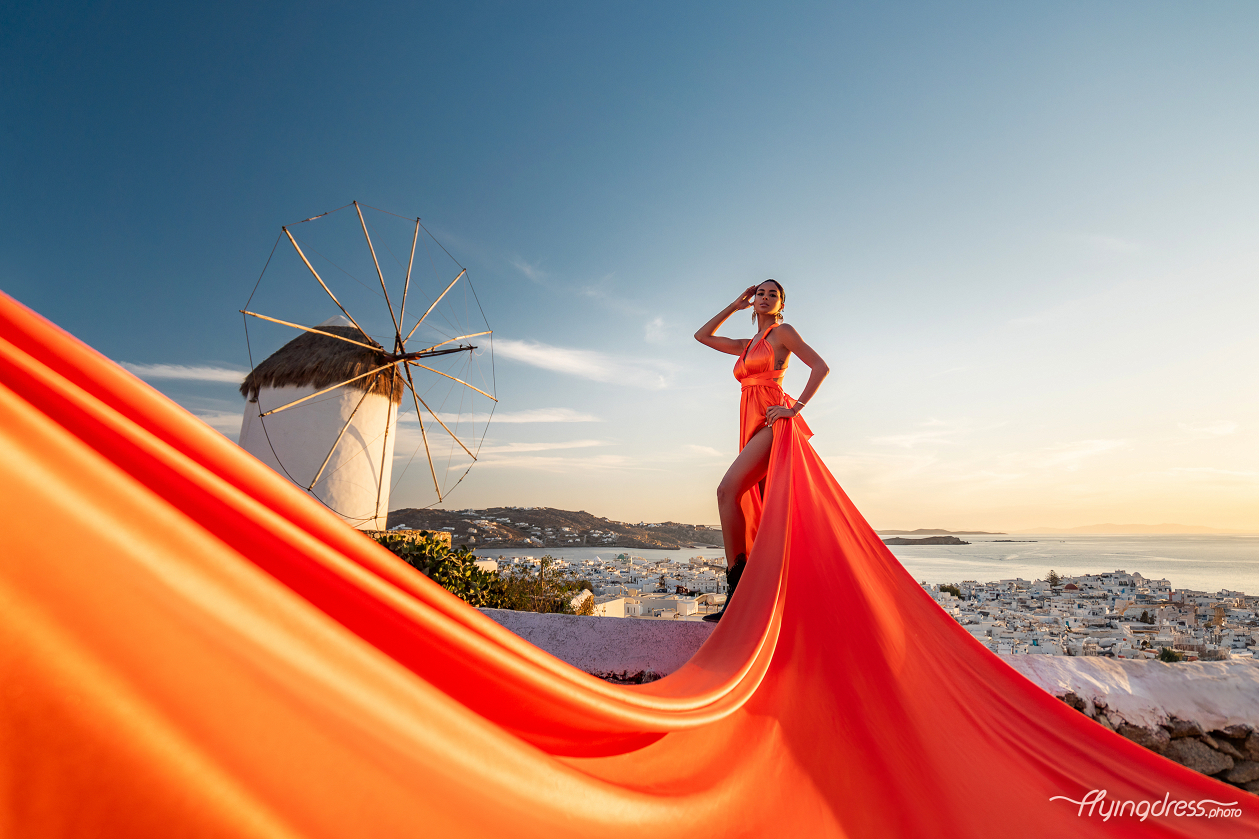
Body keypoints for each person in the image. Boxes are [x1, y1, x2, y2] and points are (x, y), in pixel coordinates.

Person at [694, 280, 829, 622]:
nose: (765, 297)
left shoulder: (783, 334)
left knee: (727, 490)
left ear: (781, 304)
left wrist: (794, 409)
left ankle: (737, 593)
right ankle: (759, 597)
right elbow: (702, 336)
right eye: (760, 293)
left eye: (773, 294)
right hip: (749, 422)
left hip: (772, 422)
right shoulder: (745, 344)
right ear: (753, 301)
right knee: (770, 511)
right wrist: (734, 305)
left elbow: (820, 367)